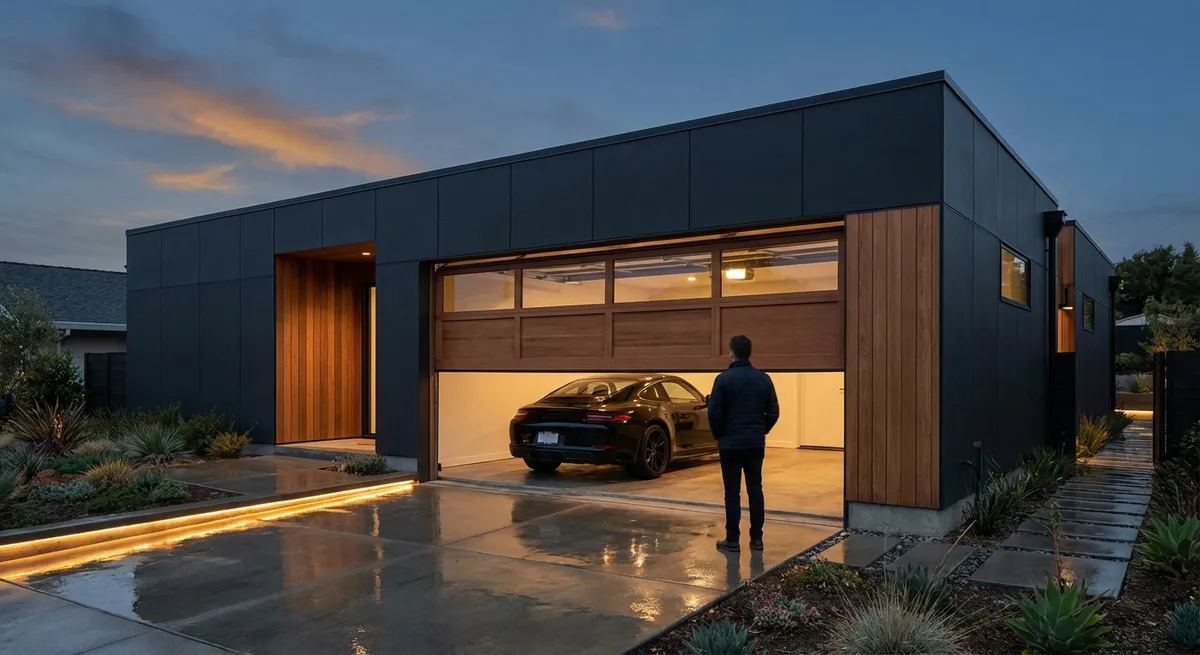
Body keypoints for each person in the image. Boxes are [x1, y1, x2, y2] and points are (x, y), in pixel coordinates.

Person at [706, 334, 779, 553]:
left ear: (732, 353)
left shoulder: (723, 379)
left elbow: (714, 412)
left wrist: (720, 435)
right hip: (754, 444)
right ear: (749, 353)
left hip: (730, 445)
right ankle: (756, 540)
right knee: (755, 490)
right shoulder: (763, 379)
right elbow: (774, 412)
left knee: (732, 492)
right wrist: (761, 430)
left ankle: (732, 540)